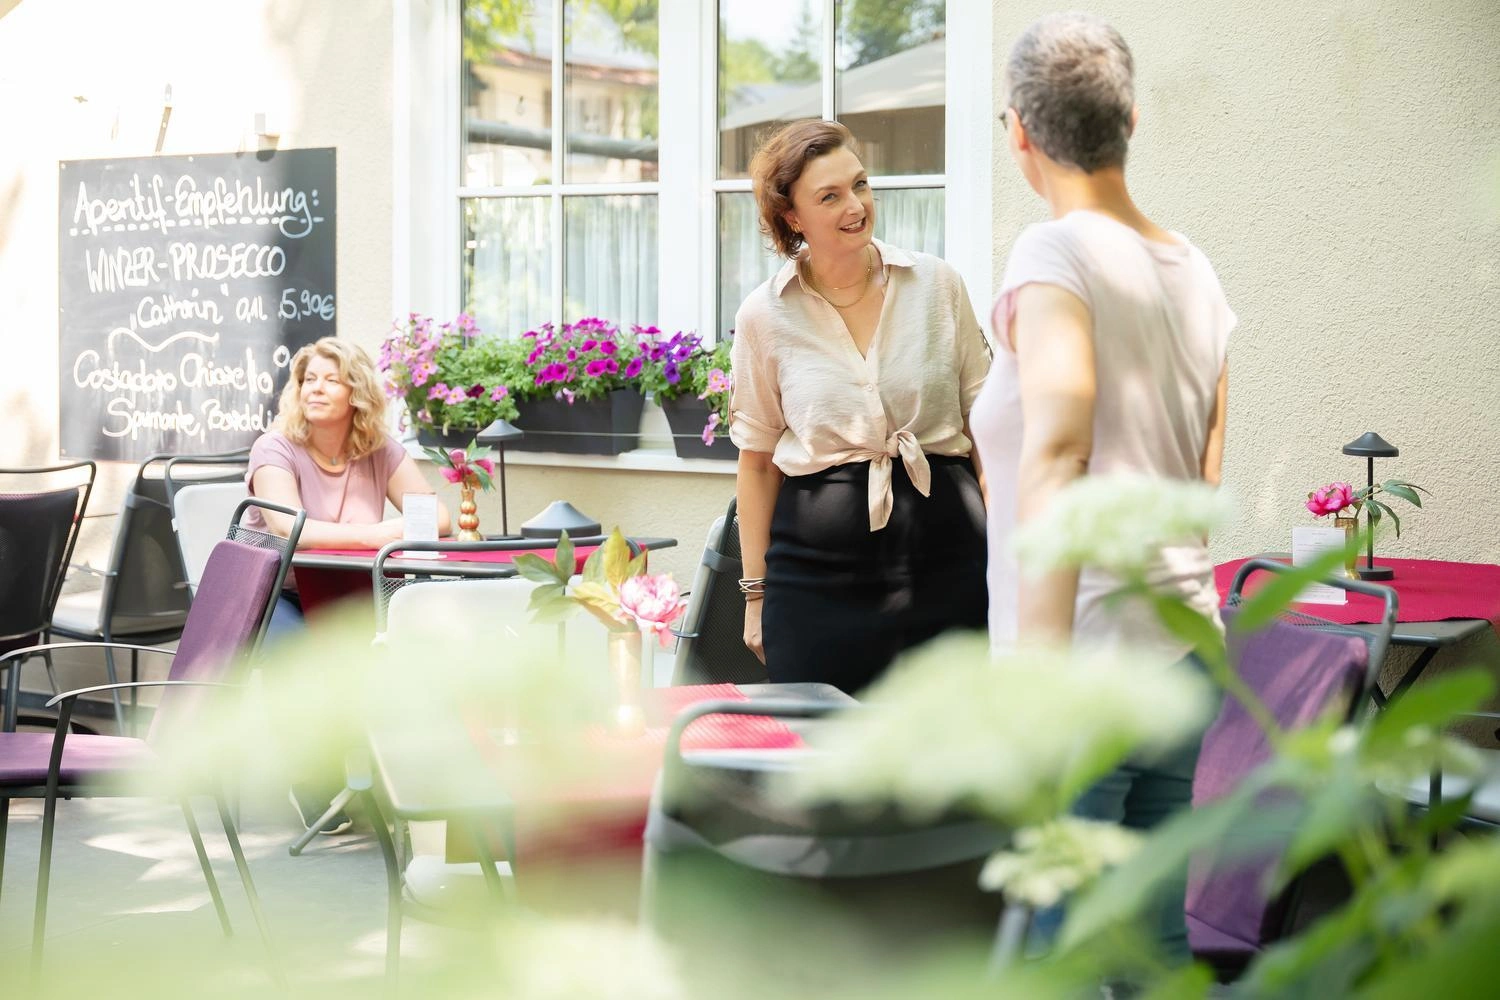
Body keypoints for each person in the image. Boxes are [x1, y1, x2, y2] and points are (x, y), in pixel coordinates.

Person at [970, 14, 1234, 962]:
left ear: (1021, 134)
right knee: (1157, 952)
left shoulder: (1055, 255)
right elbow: (1203, 472)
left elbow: (1056, 454)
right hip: (1182, 647)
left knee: (1057, 955)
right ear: (1129, 125)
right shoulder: (1195, 270)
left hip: (1084, 662)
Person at [729, 119, 991, 696]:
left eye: (861, 184)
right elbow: (756, 463)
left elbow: (985, 426)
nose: (856, 205)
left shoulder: (937, 286)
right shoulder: (764, 316)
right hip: (816, 589)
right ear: (792, 217)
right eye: (830, 196)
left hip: (948, 569)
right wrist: (754, 597)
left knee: (944, 769)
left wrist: (1010, 561)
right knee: (826, 770)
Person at [246, 336, 449, 833]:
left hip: (350, 590)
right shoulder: (275, 448)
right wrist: (378, 533)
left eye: (330, 380)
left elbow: (437, 517)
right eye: (308, 380)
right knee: (305, 665)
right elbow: (289, 529)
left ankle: (393, 780)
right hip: (276, 593)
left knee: (417, 652)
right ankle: (316, 786)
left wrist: (406, 526)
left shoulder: (378, 451)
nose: (315, 389)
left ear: (356, 393)